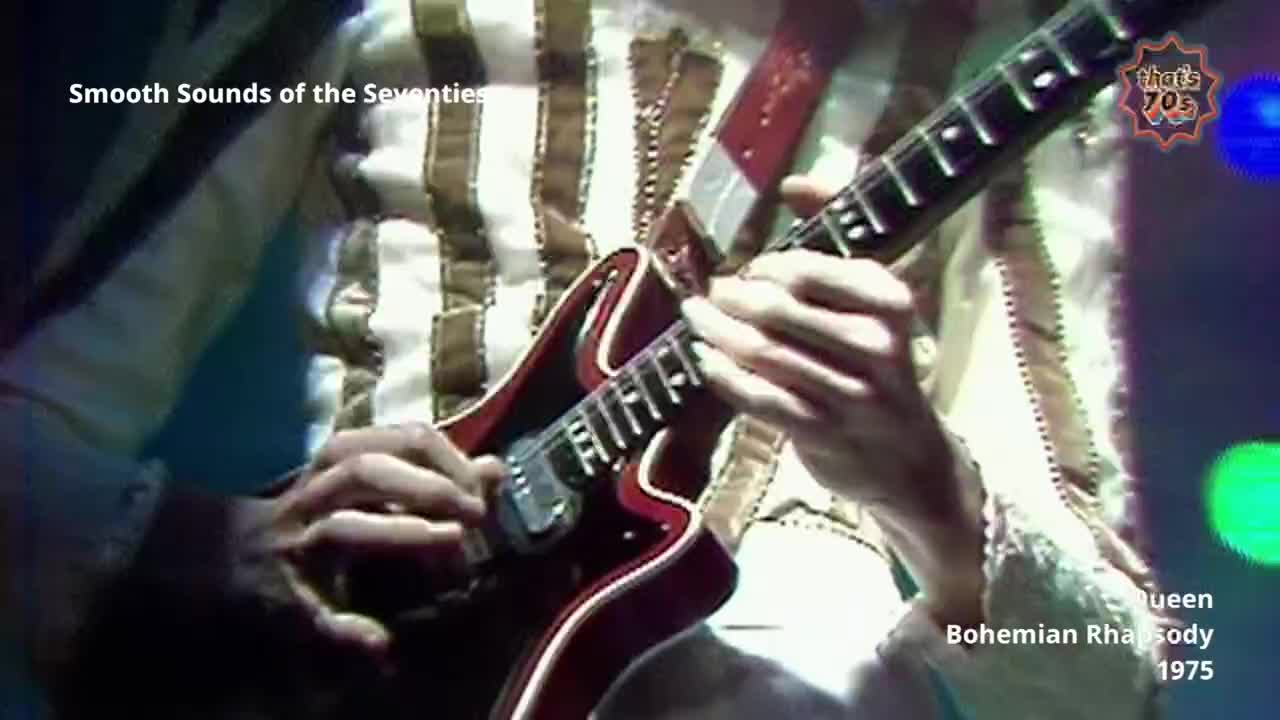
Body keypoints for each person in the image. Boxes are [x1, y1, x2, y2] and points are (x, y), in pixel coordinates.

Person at [4, 0, 1173, 717]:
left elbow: (1106, 681)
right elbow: (27, 422)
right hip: (353, 676)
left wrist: (932, 492)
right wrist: (204, 545)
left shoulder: (1006, 53)